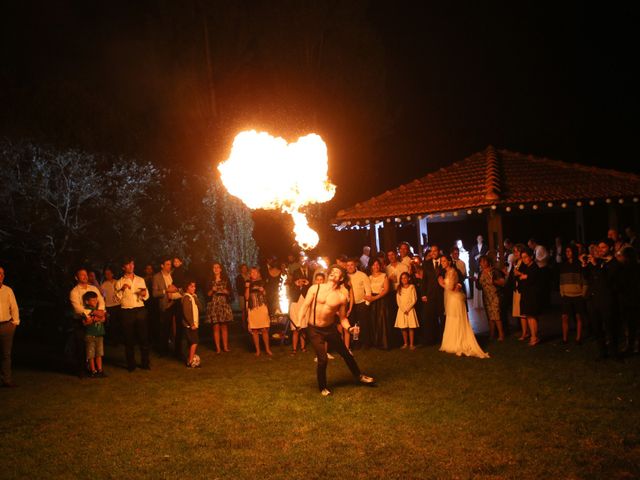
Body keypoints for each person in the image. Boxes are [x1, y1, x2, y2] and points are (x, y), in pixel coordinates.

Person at [298, 265, 376, 396]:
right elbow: (304, 306)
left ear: (341, 278)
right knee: (323, 359)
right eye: (332, 271)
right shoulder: (315, 288)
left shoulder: (341, 297)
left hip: (330, 329)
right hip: (314, 329)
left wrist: (350, 328)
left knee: (346, 353)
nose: (333, 273)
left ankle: (359, 376)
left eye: (337, 272)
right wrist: (300, 324)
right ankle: (323, 387)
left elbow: (343, 318)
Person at [439, 256, 489, 358]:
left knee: (457, 319)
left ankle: (460, 341)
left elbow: (451, 287)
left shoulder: (453, 271)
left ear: (449, 262)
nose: (442, 263)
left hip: (455, 299)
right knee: (451, 319)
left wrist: (441, 283)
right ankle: (452, 341)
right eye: (441, 261)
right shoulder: (446, 272)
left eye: (444, 261)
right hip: (451, 299)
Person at [585, 240, 621, 360]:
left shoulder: (614, 263)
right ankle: (602, 352)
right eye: (599, 247)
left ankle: (614, 353)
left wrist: (596, 265)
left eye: (603, 247)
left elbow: (606, 280)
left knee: (610, 327)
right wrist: (585, 265)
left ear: (610, 248)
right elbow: (588, 278)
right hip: (594, 299)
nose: (600, 250)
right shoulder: (598, 261)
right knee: (597, 327)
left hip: (607, 300)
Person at [70, 268, 106, 378]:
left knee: (97, 345)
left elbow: (101, 301)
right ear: (76, 277)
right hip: (80, 321)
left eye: (86, 274)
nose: (85, 276)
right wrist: (92, 312)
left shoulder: (93, 288)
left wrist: (100, 312)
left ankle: (97, 369)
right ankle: (82, 370)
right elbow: (77, 308)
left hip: (95, 320)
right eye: (82, 275)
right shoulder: (74, 292)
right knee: (81, 346)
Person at [116, 257, 151, 371]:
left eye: (132, 264)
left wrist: (143, 293)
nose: (131, 266)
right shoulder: (119, 282)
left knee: (143, 338)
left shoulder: (140, 280)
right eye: (128, 264)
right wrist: (122, 289)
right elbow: (116, 299)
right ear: (123, 267)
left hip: (140, 310)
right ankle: (131, 365)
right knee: (128, 339)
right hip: (126, 311)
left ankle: (145, 364)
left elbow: (146, 296)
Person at [152, 258, 182, 356]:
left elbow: (179, 286)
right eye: (168, 264)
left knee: (178, 328)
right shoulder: (157, 277)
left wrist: (177, 290)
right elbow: (155, 293)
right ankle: (163, 350)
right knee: (165, 328)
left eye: (170, 264)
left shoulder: (173, 274)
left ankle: (177, 350)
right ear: (162, 265)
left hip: (176, 303)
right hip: (166, 305)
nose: (170, 266)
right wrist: (166, 291)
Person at [559, 245, 587, 345]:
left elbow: (584, 280)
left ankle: (578, 338)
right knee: (564, 317)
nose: (568, 253)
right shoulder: (564, 265)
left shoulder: (579, 265)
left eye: (570, 251)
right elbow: (561, 281)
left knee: (579, 317)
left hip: (578, 295)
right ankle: (564, 338)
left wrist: (583, 293)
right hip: (566, 295)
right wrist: (562, 292)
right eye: (566, 251)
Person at [206, 262, 233, 354]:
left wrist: (226, 292)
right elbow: (207, 294)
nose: (216, 269)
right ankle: (218, 348)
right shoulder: (209, 280)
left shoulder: (226, 280)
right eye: (214, 267)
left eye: (218, 267)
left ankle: (225, 347)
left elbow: (231, 293)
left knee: (224, 326)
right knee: (216, 326)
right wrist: (212, 290)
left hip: (223, 304)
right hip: (213, 304)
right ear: (212, 269)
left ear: (221, 269)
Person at [288, 256, 314, 354]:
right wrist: (296, 284)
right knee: (296, 327)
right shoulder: (295, 272)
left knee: (303, 327)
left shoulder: (311, 272)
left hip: (305, 301)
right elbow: (290, 290)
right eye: (302, 261)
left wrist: (308, 284)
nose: (304, 263)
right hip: (295, 302)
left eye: (306, 261)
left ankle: (303, 347)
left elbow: (312, 287)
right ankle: (294, 349)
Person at [518, 249, 543, 347]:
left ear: (531, 256)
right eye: (522, 257)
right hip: (526, 295)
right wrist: (523, 276)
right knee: (529, 316)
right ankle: (533, 336)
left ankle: (534, 337)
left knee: (532, 316)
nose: (524, 259)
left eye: (525, 257)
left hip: (532, 295)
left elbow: (532, 279)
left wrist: (525, 277)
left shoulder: (534, 267)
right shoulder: (526, 267)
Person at [420, 245, 445, 345]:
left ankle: (443, 338)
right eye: (432, 251)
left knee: (443, 317)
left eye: (435, 250)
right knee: (430, 317)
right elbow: (424, 280)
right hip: (430, 295)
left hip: (442, 294)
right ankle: (431, 339)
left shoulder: (444, 261)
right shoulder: (426, 264)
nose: (433, 252)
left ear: (439, 251)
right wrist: (423, 294)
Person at [0, 266, 20, 387]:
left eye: (2, 273)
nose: (0, 275)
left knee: (6, 354)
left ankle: (6, 380)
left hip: (6, 326)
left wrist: (15, 322)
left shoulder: (8, 290)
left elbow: (14, 307)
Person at [245, 267, 273, 356]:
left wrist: (263, 290)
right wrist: (247, 287)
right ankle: (258, 351)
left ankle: (267, 349)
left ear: (258, 273)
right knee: (255, 330)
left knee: (264, 329)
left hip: (262, 306)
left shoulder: (263, 282)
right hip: (253, 308)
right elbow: (246, 297)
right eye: (251, 272)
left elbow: (266, 294)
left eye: (255, 272)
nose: (253, 274)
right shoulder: (248, 283)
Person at [365, 259, 391, 349]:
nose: (376, 266)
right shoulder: (369, 277)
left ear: (380, 266)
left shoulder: (384, 276)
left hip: (381, 300)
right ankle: (375, 342)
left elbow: (386, 289)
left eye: (377, 265)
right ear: (371, 266)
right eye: (374, 265)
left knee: (382, 320)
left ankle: (384, 343)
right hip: (372, 301)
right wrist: (368, 298)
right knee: (373, 321)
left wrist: (375, 298)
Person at [477, 256, 505, 341]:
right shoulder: (480, 273)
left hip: (495, 295)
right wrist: (476, 282)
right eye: (481, 262)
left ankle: (501, 334)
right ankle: (492, 334)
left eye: (484, 261)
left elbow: (502, 282)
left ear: (488, 262)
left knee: (496, 315)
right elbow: (479, 286)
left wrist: (494, 281)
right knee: (490, 316)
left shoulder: (494, 271)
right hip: (486, 297)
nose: (483, 263)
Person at [346, 258, 372, 349]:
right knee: (353, 325)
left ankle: (366, 343)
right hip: (350, 305)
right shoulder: (345, 277)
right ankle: (356, 343)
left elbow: (368, 290)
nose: (350, 267)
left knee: (364, 324)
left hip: (361, 303)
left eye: (351, 265)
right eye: (348, 265)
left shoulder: (362, 275)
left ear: (355, 265)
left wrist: (367, 304)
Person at [81, 291, 107, 378]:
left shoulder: (98, 309)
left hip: (99, 334)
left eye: (96, 300)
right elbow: (85, 322)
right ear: (87, 301)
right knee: (91, 354)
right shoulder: (86, 310)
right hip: (90, 335)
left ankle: (100, 370)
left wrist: (98, 317)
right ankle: (93, 370)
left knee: (99, 353)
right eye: (93, 300)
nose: (95, 302)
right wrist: (94, 319)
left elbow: (103, 318)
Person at [395, 272, 419, 350]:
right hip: (402, 310)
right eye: (402, 278)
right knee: (403, 327)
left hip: (410, 310)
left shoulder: (412, 287)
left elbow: (414, 299)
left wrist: (408, 309)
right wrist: (403, 309)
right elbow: (398, 301)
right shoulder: (399, 288)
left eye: (405, 277)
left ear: (408, 278)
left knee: (411, 327)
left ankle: (411, 344)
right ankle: (405, 343)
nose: (404, 279)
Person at [182, 280, 202, 368]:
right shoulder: (186, 297)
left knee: (192, 342)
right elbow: (186, 312)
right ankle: (190, 361)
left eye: (194, 286)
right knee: (194, 342)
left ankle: (190, 359)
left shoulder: (193, 297)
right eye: (191, 286)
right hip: (190, 325)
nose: (194, 288)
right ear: (187, 287)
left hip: (194, 323)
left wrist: (196, 298)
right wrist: (191, 323)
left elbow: (200, 308)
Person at [101, 266, 121, 346]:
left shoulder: (117, 282)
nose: (108, 275)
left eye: (109, 273)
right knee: (113, 324)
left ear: (112, 274)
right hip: (109, 306)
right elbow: (103, 296)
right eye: (106, 274)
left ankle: (121, 339)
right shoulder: (104, 285)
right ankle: (114, 341)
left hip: (119, 305)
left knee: (120, 323)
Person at [235, 264, 250, 332]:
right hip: (242, 295)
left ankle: (250, 323)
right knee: (243, 310)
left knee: (249, 310)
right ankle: (244, 324)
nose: (244, 269)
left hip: (249, 295)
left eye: (245, 268)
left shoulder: (249, 276)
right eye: (243, 268)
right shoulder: (239, 277)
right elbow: (238, 287)